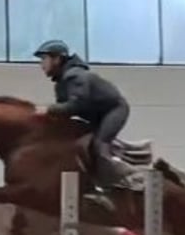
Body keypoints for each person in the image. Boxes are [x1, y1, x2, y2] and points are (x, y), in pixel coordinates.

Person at [33, 39, 131, 205]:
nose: (41, 64)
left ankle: (110, 188)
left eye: (44, 59)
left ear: (57, 59)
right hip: (96, 114)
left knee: (99, 144)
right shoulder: (62, 82)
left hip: (113, 111)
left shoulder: (75, 76)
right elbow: (64, 114)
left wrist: (48, 110)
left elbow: (76, 105)